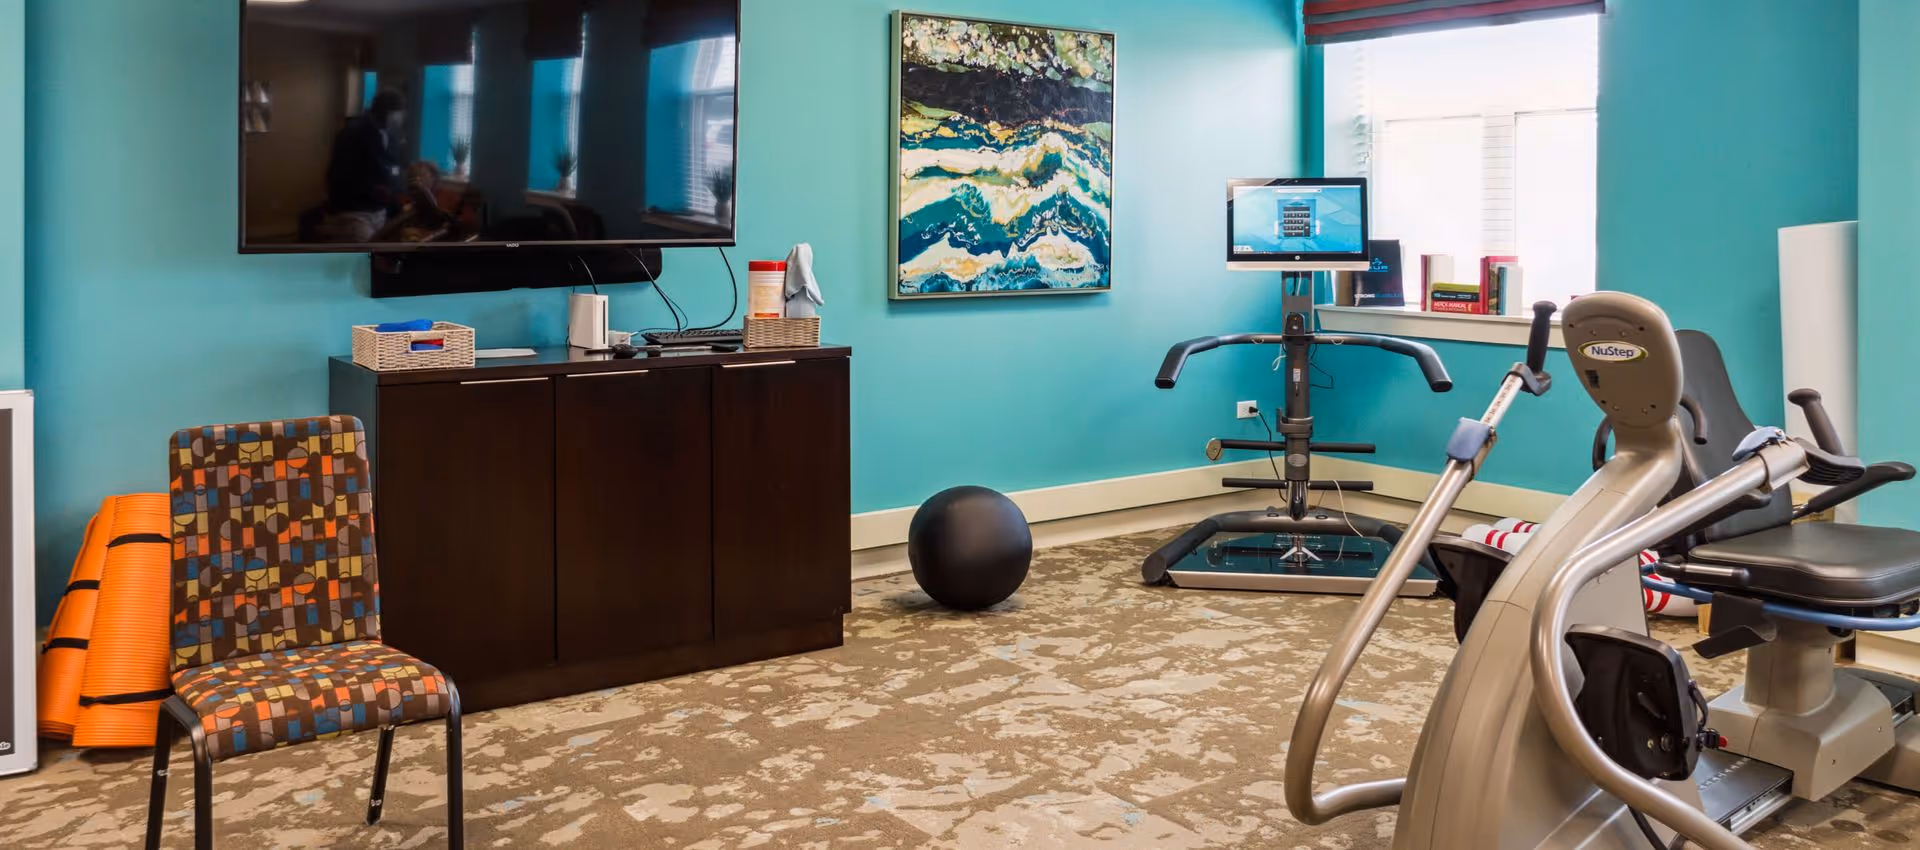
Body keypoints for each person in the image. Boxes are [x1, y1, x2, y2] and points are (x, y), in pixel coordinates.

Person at [318, 89, 407, 243]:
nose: (400, 117)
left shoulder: (389, 135)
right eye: (397, 112)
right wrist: (374, 189)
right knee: (363, 259)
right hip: (354, 214)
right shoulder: (353, 133)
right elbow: (340, 175)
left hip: (379, 212)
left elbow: (391, 167)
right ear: (386, 111)